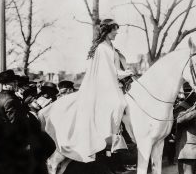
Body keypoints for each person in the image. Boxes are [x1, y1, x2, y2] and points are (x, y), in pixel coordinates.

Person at [40, 19, 133, 163]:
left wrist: (125, 72)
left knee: (125, 102)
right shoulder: (102, 48)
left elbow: (115, 69)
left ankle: (119, 138)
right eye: (114, 30)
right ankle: (112, 140)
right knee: (119, 103)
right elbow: (109, 72)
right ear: (107, 31)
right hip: (104, 85)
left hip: (113, 83)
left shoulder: (112, 47)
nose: (116, 32)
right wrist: (125, 74)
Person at [0, 70, 30, 174]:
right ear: (9, 84)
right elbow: (15, 124)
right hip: (13, 142)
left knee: (8, 169)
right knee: (16, 170)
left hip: (3, 140)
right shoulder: (11, 99)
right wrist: (24, 142)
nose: (17, 84)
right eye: (15, 82)